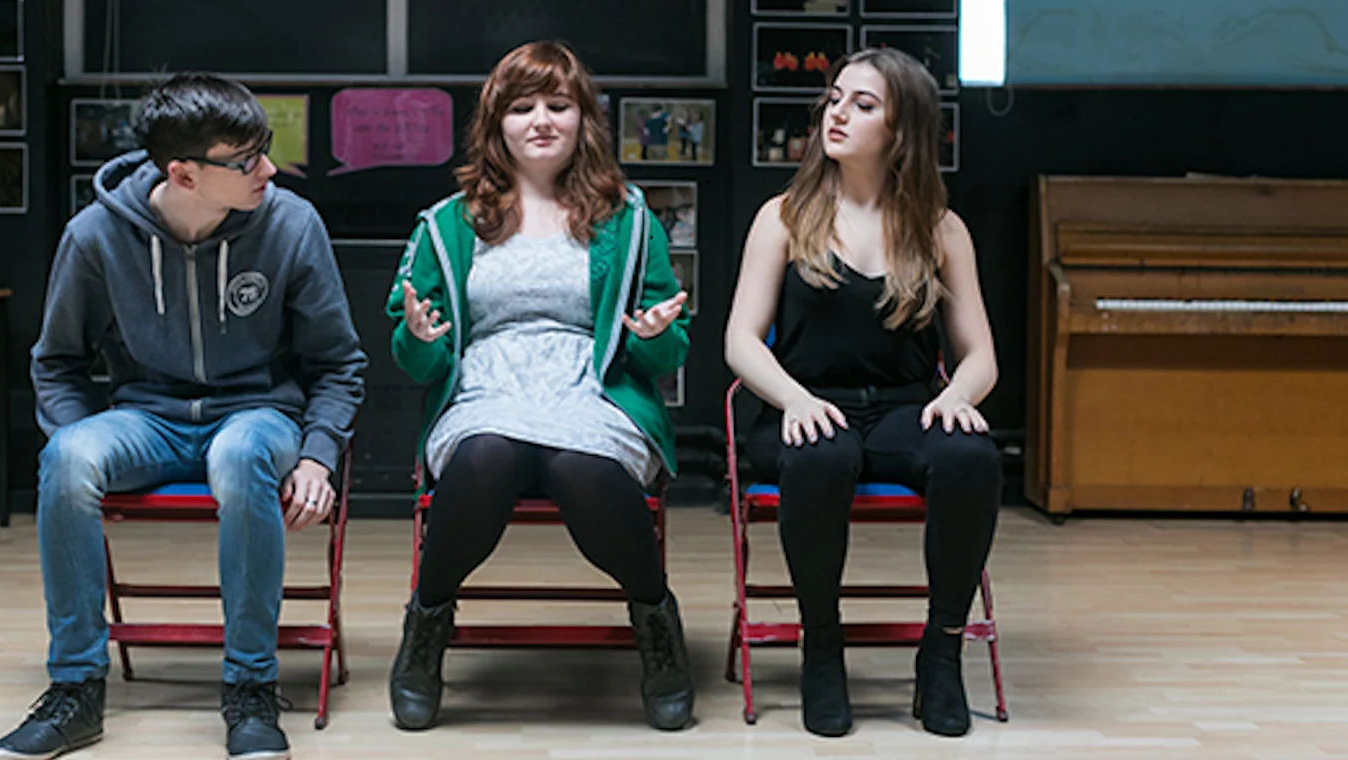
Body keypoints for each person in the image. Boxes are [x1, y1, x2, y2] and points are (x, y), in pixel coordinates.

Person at [0, 72, 367, 760]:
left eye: (265, 150)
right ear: (183, 174)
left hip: (257, 414)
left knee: (239, 455)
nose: (268, 170)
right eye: (246, 160)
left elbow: (339, 362)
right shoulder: (96, 236)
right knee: (67, 458)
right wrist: (78, 446)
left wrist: (317, 453)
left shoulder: (290, 223)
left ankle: (250, 687)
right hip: (148, 419)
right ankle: (76, 689)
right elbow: (57, 361)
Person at [384, 40, 694, 732]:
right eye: (522, 107)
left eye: (559, 105)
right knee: (488, 454)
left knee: (580, 462)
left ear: (585, 118)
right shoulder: (447, 222)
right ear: (496, 122)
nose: (542, 121)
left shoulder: (629, 218)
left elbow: (667, 347)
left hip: (594, 389)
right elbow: (414, 355)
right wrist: (422, 339)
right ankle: (426, 626)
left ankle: (656, 623)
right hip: (485, 388)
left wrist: (651, 334)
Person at [724, 47, 1001, 739]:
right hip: (805, 406)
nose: (838, 113)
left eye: (863, 104)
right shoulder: (783, 217)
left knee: (970, 456)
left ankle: (942, 652)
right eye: (835, 98)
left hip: (905, 408)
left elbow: (980, 358)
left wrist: (958, 397)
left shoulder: (940, 228)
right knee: (823, 456)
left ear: (901, 128)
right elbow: (740, 342)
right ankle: (822, 647)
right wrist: (793, 399)